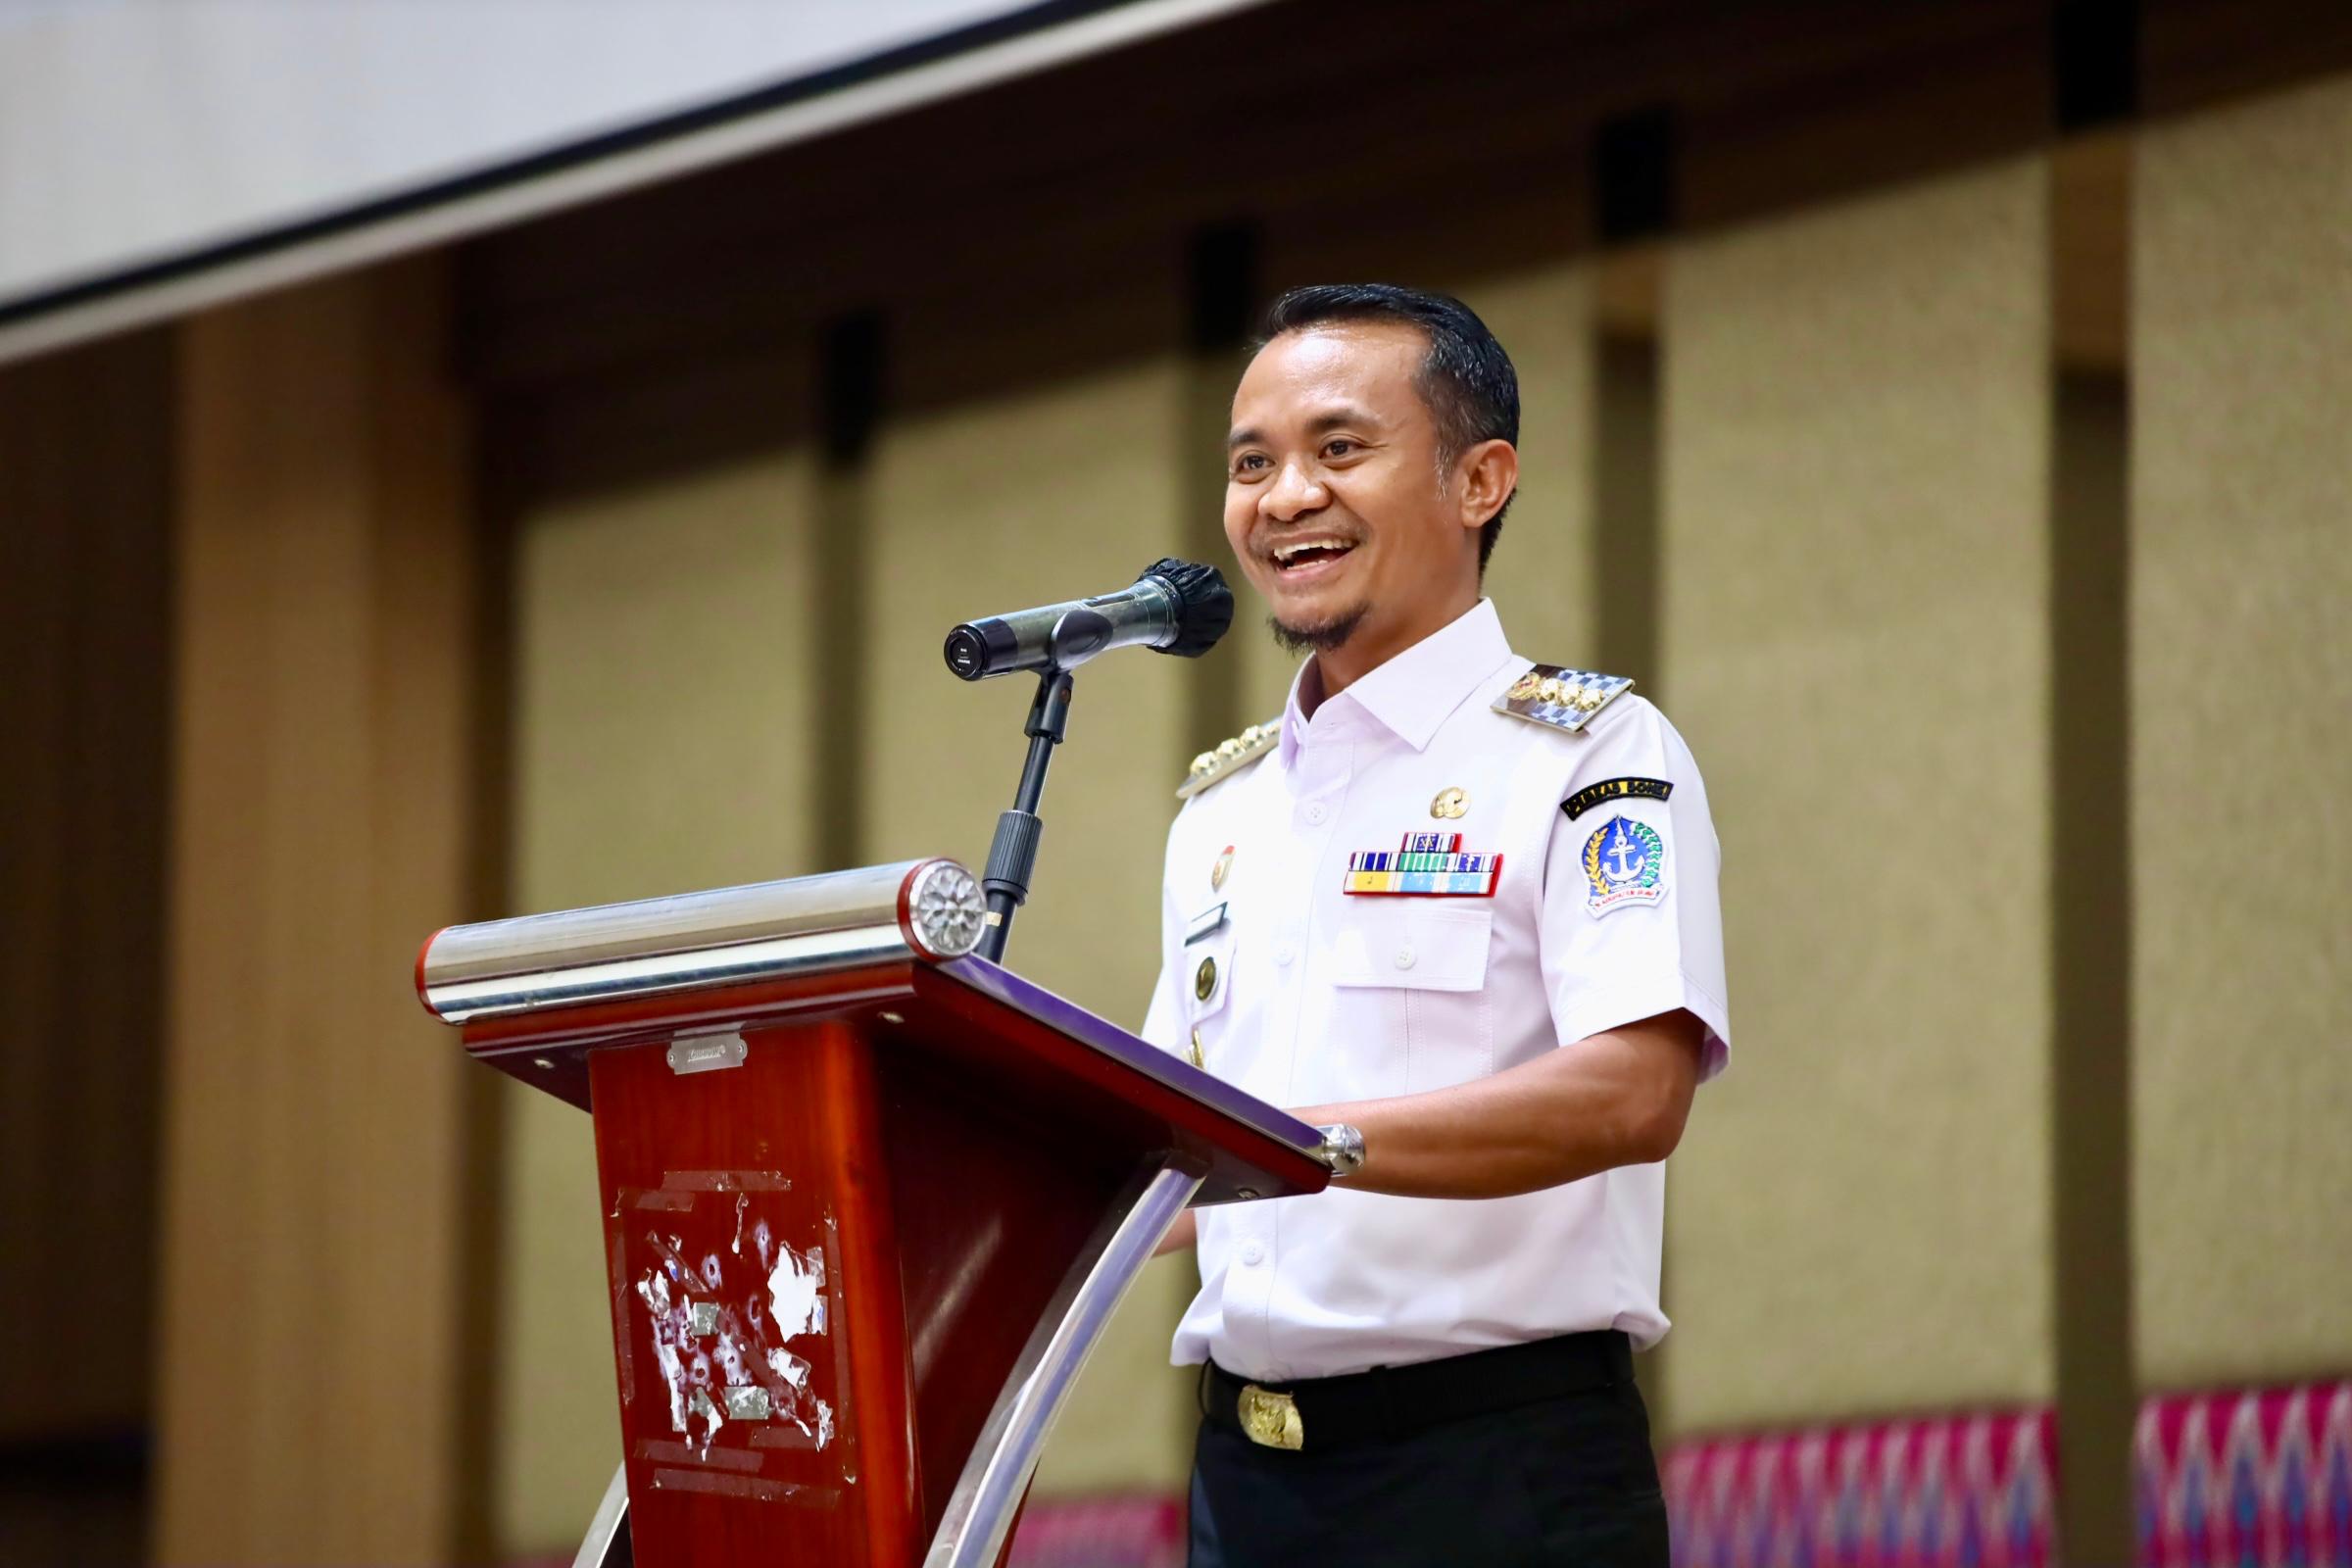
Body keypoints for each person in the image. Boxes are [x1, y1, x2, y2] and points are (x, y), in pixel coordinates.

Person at [1139, 283, 1732, 1567]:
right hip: (1245, 1483)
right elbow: (1167, 1152)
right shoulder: (1220, 812)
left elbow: (1637, 1091)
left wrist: (1305, 1145)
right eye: (1252, 464)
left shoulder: (1591, 754)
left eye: (1339, 448)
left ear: (1481, 481)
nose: (1285, 496)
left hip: (1496, 1469)